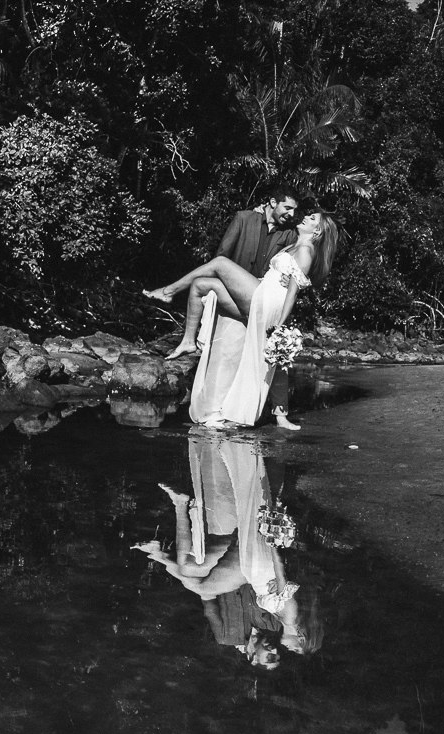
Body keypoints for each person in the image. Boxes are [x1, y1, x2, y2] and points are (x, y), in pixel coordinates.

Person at [143, 210, 339, 429]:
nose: (305, 217)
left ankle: (169, 291)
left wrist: (281, 327)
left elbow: (292, 293)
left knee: (219, 263)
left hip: (268, 300)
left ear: (318, 230)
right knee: (201, 285)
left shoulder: (305, 250)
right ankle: (189, 341)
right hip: (262, 291)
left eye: (312, 219)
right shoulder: (295, 245)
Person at [133, 436, 306, 669]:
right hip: (246, 570)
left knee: (191, 573)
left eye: (270, 657)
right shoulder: (276, 625)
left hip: (233, 576)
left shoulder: (226, 636)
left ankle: (175, 518)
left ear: (251, 657)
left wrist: (214, 581)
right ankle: (162, 551)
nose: (275, 651)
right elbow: (284, 587)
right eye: (279, 655)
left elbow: (208, 603)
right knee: (188, 570)